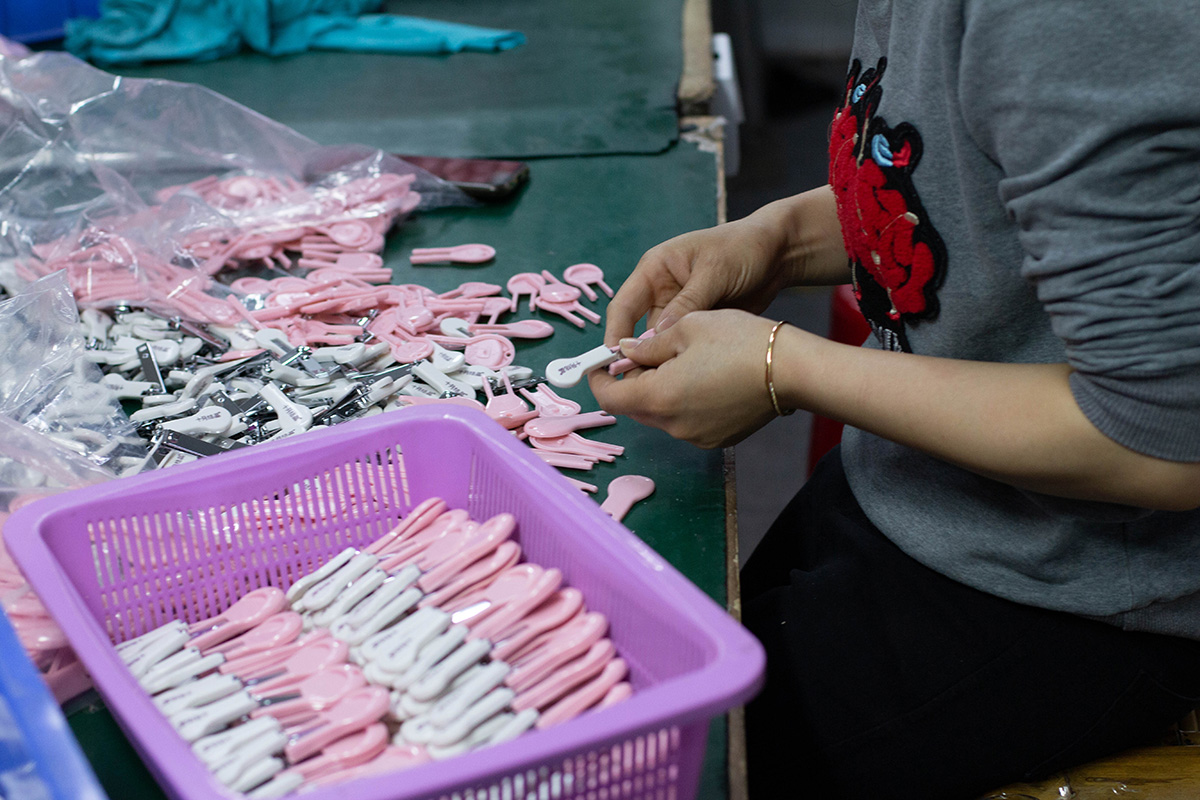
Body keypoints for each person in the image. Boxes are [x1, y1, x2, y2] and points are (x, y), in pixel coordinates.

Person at [587, 2, 1200, 798]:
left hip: (1073, 592)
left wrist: (785, 367)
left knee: (669, 765)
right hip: (917, 482)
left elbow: (1160, 437)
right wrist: (781, 239)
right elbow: (968, 193)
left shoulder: (1069, 20)